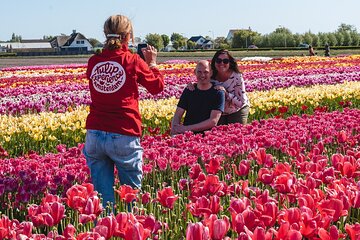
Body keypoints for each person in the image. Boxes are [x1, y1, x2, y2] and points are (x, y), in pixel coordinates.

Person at [83, 14, 164, 209]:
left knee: (102, 200)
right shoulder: (132, 60)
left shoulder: (94, 61)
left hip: (95, 132)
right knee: (131, 199)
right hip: (123, 132)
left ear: (105, 34)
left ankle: (104, 231)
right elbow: (157, 87)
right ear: (128, 36)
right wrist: (152, 63)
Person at [171, 60, 225, 135]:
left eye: (206, 72)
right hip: (187, 135)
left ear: (211, 73)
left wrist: (186, 128)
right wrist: (174, 128)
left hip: (208, 136)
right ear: (195, 72)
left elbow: (213, 121)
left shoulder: (218, 92)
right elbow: (178, 114)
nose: (202, 75)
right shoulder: (189, 90)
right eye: (199, 72)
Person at [210, 49, 250, 125]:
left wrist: (226, 93)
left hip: (237, 109)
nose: (221, 63)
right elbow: (201, 84)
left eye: (225, 61)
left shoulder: (236, 76)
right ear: (214, 62)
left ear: (230, 63)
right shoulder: (210, 75)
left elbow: (241, 102)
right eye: (218, 60)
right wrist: (193, 84)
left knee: (236, 133)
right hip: (219, 111)